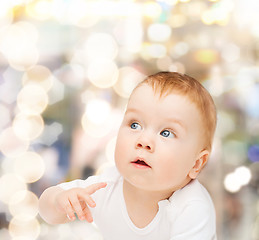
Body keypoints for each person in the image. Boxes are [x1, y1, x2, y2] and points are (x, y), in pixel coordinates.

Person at [39, 71, 217, 240]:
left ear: (196, 164)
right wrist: (58, 201)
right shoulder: (106, 187)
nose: (143, 140)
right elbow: (47, 212)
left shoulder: (192, 207)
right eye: (134, 125)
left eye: (166, 133)